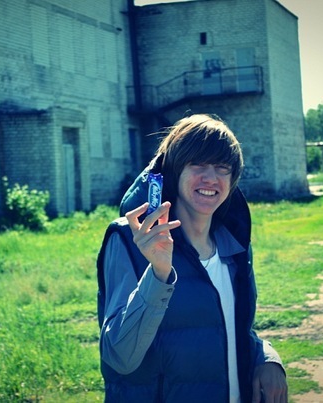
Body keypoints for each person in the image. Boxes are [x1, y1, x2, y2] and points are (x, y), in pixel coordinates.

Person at [97, 114, 288, 402]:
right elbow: (119, 357)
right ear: (175, 171)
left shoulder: (233, 245)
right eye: (198, 164)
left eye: (222, 168)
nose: (211, 178)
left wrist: (267, 357)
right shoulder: (129, 240)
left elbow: (231, 328)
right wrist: (158, 274)